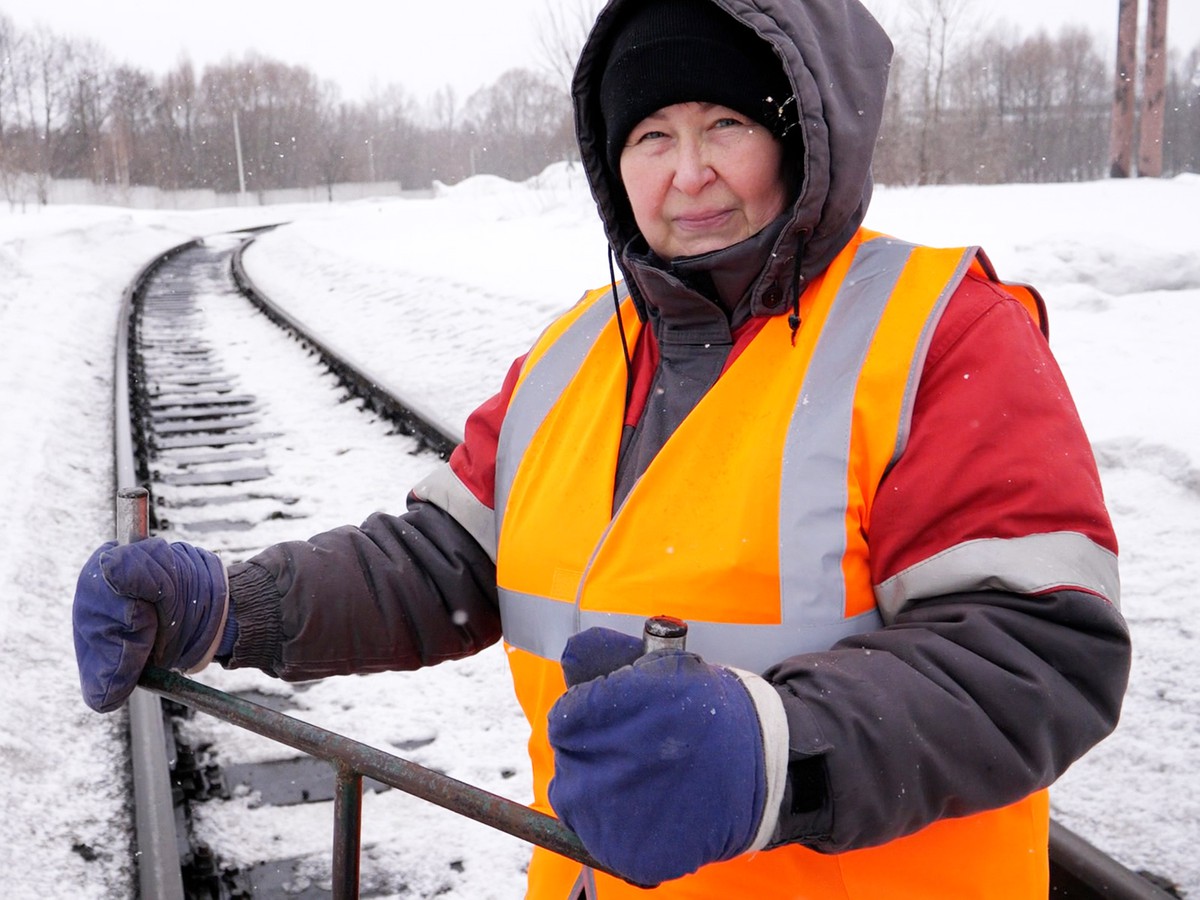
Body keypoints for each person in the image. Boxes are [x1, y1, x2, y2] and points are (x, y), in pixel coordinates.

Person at [73, 0, 1132, 897]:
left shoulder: (940, 331)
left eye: (726, 123)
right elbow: (438, 563)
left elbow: (1037, 653)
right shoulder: (578, 351)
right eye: (650, 136)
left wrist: (778, 753)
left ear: (805, 135)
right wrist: (232, 607)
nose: (689, 176)